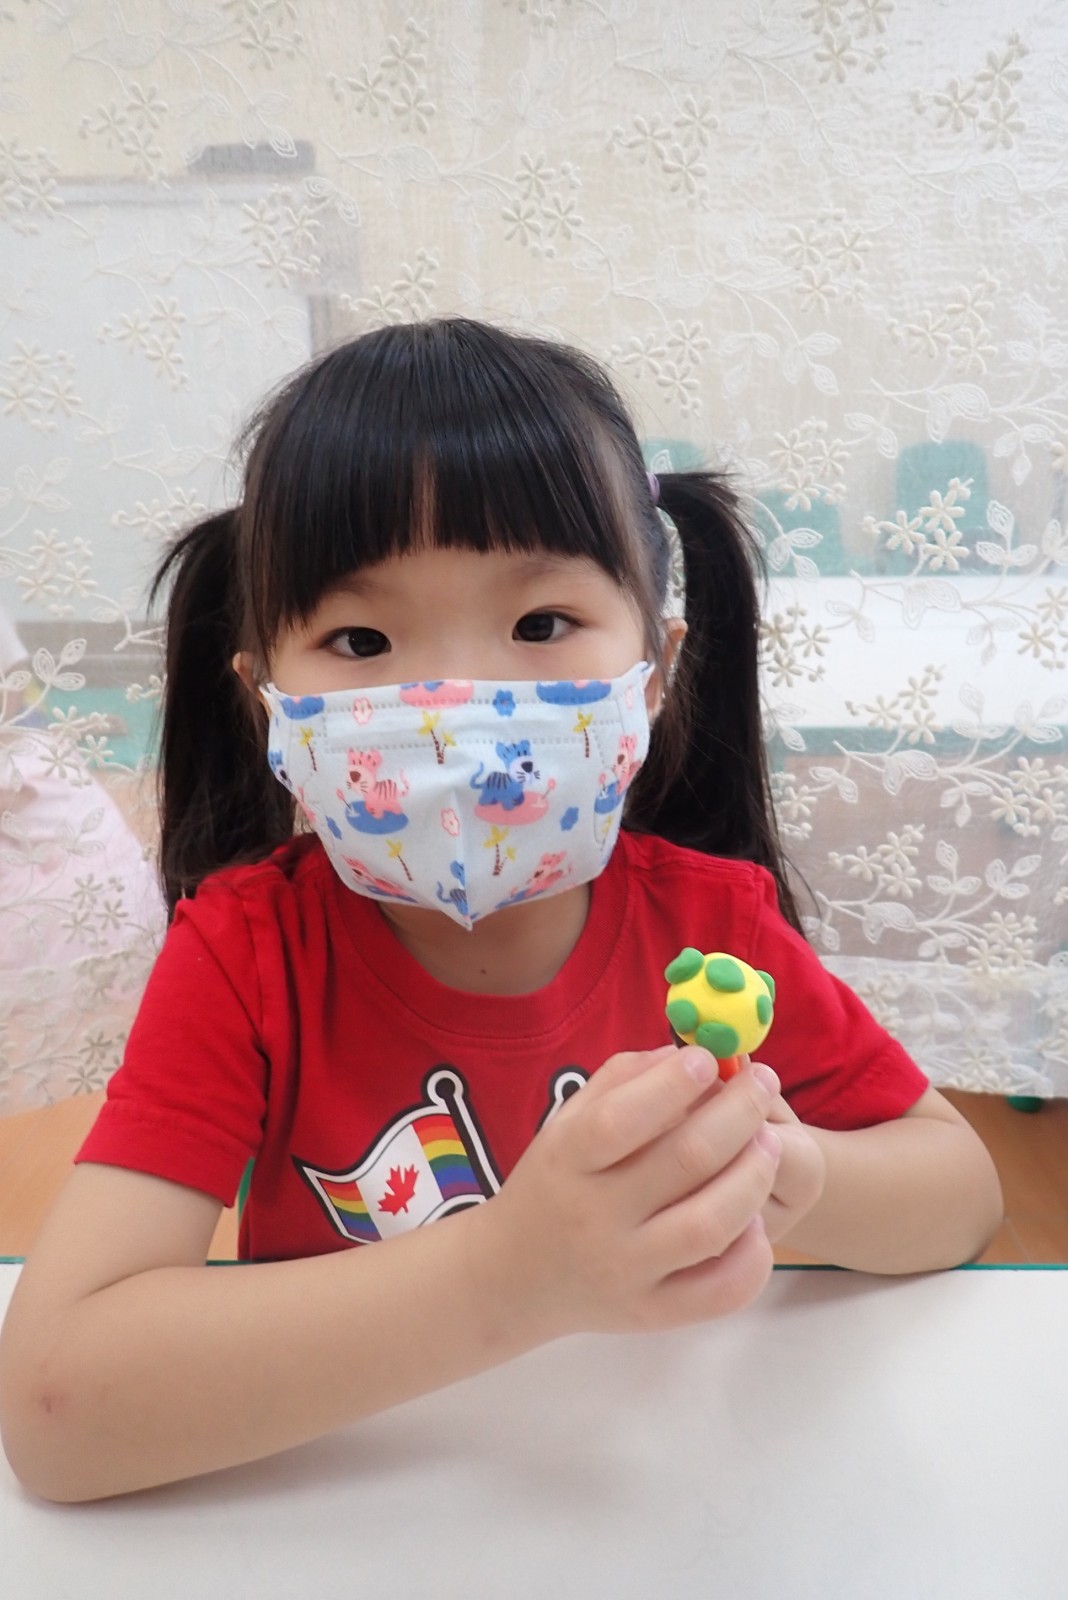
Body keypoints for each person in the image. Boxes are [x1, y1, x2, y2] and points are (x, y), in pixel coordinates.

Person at [0, 319, 1003, 1503]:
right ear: (267, 700)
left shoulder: (714, 930)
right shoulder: (247, 954)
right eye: (361, 638)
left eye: (539, 625)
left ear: (657, 667)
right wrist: (506, 1276)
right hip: (355, 1515)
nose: (453, 703)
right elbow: (57, 1411)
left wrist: (794, 1171)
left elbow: (963, 1191)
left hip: (655, 1510)